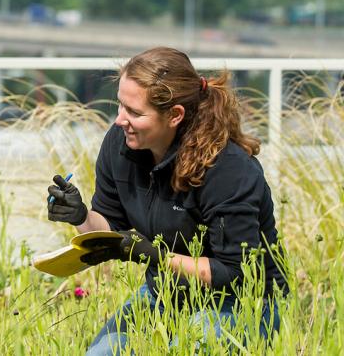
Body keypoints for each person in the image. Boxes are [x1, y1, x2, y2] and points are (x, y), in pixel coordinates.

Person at [46, 47, 287, 355]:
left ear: (174, 115)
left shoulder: (228, 169)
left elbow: (235, 272)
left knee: (182, 349)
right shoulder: (121, 144)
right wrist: (79, 216)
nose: (120, 120)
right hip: (167, 291)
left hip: (246, 300)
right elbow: (111, 228)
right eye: (120, 105)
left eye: (134, 112)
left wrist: (156, 256)